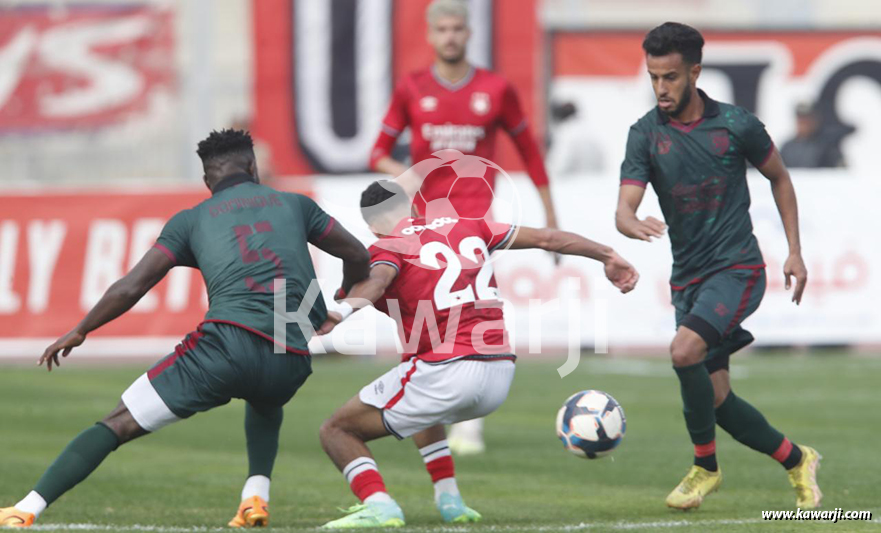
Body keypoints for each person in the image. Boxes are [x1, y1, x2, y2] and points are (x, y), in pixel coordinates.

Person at [0, 129, 370, 529]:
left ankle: (26, 509)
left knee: (118, 422)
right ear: (252, 166)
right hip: (293, 354)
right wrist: (342, 298)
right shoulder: (296, 204)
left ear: (207, 180)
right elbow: (356, 253)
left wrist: (81, 329)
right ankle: (255, 498)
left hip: (226, 347)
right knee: (266, 396)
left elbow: (131, 286)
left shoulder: (191, 220)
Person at [314, 179, 638, 528]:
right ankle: (449, 500)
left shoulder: (389, 246)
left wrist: (342, 311)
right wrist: (608, 254)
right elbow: (548, 238)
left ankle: (379, 504)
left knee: (336, 430)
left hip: (447, 370)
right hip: (499, 372)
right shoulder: (468, 225)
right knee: (418, 390)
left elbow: (377, 280)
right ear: (412, 207)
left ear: (372, 227)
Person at [615, 22, 819, 511]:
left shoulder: (736, 124)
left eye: (670, 77)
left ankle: (705, 468)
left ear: (695, 72)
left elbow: (781, 179)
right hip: (687, 279)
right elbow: (623, 208)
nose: (661, 88)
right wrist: (629, 222)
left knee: (684, 352)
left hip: (737, 269)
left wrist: (794, 250)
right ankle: (797, 459)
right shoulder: (644, 134)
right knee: (717, 398)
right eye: (653, 78)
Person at [370, 0, 561, 456]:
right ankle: (428, 401)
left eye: (458, 28)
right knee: (421, 319)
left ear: (469, 32)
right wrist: (407, 176)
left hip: (475, 225)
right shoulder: (412, 88)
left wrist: (552, 218)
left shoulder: (495, 89)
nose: (451, 36)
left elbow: (531, 153)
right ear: (431, 35)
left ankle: (467, 421)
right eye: (444, 29)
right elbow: (376, 151)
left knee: (473, 311)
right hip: (422, 225)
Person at [779, 102, 846, 168]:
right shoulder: (787, 148)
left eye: (807, 120)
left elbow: (838, 168)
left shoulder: (826, 147)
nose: (804, 124)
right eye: (801, 120)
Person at [546, 101, 605, 176]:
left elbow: (558, 167)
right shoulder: (590, 131)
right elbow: (601, 161)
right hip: (595, 183)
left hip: (573, 184)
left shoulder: (566, 133)